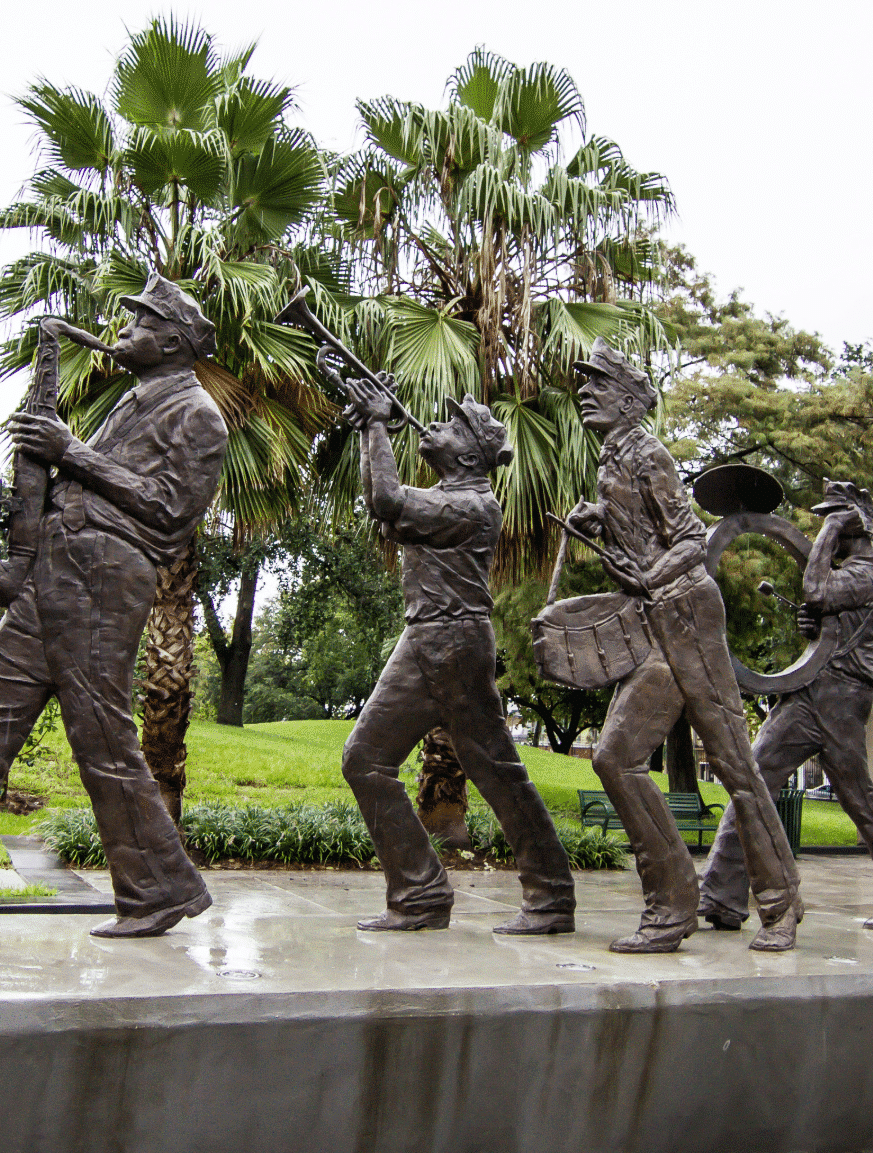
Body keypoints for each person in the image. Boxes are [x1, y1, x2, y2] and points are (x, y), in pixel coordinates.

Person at [0, 276, 226, 939]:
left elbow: (171, 509)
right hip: (56, 571)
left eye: (141, 322)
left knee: (101, 739)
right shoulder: (131, 402)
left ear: (176, 341)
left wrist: (69, 452)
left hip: (104, 578)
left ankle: (158, 888)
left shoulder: (198, 415)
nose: (123, 329)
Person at [567, 340, 801, 953]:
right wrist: (599, 517)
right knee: (615, 755)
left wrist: (648, 575)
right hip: (654, 618)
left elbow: (689, 541)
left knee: (732, 761)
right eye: (583, 384)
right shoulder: (613, 459)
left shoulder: (647, 453)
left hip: (687, 614)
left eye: (597, 384)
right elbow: (641, 528)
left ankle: (780, 904)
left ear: (627, 398)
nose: (585, 393)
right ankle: (673, 905)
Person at [339, 380, 575, 935]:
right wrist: (369, 430)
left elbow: (388, 500)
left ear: (469, 454)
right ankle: (421, 894)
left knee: (494, 771)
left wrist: (378, 425)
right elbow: (386, 510)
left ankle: (549, 895)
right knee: (366, 760)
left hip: (454, 644)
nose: (433, 427)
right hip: (426, 638)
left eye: (448, 426)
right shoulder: (447, 499)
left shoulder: (472, 505)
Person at [699, 481, 873, 932]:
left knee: (857, 797)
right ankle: (722, 893)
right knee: (754, 778)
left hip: (839, 696)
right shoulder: (854, 574)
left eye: (835, 518)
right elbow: (826, 616)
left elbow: (817, 589)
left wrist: (831, 532)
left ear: (854, 524)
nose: (827, 525)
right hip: (814, 690)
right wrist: (816, 625)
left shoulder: (870, 572)